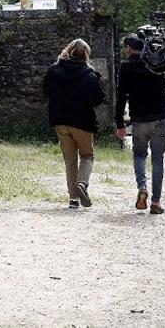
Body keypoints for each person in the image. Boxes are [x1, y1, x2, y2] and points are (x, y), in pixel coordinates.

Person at [114, 35, 165, 214]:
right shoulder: (158, 62)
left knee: (139, 155)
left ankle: (142, 188)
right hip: (160, 118)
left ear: (130, 48)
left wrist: (119, 123)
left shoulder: (126, 66)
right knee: (157, 160)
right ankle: (156, 202)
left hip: (139, 119)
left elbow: (121, 96)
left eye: (125, 47)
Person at [43, 38, 105, 209]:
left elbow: (46, 91)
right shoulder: (89, 75)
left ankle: (73, 199)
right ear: (86, 55)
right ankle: (82, 184)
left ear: (68, 50)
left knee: (70, 161)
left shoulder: (54, 71)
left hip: (61, 121)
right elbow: (98, 99)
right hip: (83, 122)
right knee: (86, 156)